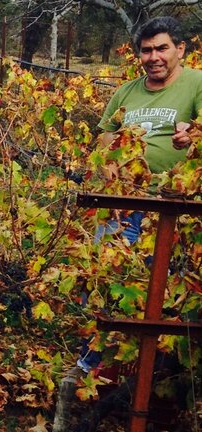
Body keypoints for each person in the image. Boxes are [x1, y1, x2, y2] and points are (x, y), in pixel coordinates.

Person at [76, 16, 201, 372]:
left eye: (162, 48)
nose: (154, 57)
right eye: (146, 50)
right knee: (101, 279)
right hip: (123, 204)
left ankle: (157, 369)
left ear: (180, 49)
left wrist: (192, 136)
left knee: (165, 291)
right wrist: (108, 161)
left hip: (175, 209)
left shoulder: (197, 83)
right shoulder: (127, 92)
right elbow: (106, 132)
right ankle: (91, 366)